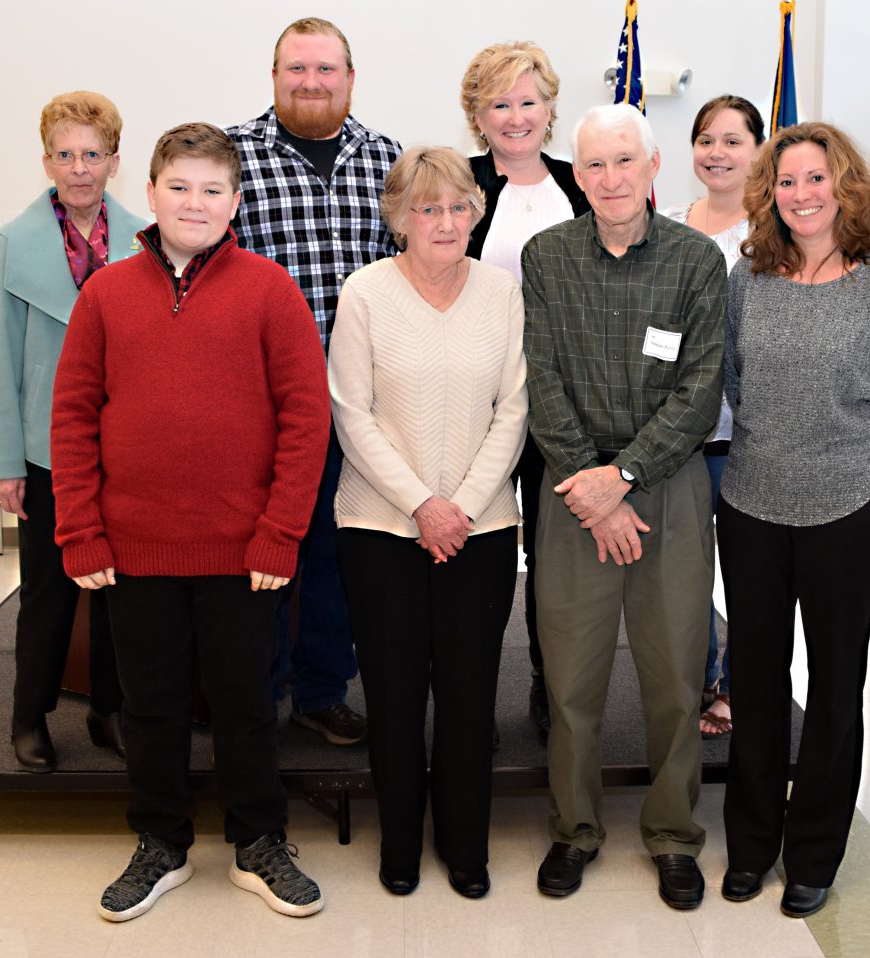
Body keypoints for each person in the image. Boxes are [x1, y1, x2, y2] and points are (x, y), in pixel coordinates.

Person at [51, 123, 330, 921]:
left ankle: (258, 841)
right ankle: (161, 841)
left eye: (213, 190)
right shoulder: (105, 292)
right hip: (131, 549)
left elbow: (305, 420)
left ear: (236, 201)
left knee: (245, 702)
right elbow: (71, 418)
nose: (195, 203)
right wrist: (81, 529)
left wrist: (280, 531)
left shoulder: (271, 290)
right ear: (150, 193)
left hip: (246, 552)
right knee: (152, 705)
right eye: (180, 187)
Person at [717, 121, 870, 918]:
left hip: (848, 512)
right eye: (785, 182)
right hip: (749, 507)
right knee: (755, 677)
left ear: (843, 186)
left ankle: (814, 851)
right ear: (768, 194)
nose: (801, 195)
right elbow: (736, 378)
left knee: (837, 685)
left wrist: (864, 463)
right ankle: (751, 842)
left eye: (816, 179)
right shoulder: (751, 276)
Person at [523, 104, 727, 909]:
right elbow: (542, 381)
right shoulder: (545, 258)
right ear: (578, 176)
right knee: (571, 680)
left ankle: (674, 835)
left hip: (669, 489)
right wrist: (593, 484)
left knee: (676, 674)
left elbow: (701, 387)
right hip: (573, 490)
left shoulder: (696, 261)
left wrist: (627, 477)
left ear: (653, 169)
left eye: (623, 162)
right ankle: (574, 830)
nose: (609, 179)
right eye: (594, 166)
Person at [329, 147, 527, 899]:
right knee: (394, 688)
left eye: (456, 207)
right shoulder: (367, 292)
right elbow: (352, 411)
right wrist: (421, 504)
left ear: (475, 213)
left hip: (479, 530)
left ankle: (466, 847)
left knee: (472, 693)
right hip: (381, 528)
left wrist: (462, 508)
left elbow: (514, 409)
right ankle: (401, 846)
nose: (443, 222)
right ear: (399, 217)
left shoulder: (501, 293)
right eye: (426, 208)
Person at [225, 16, 402, 746]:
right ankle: (252, 695)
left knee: (336, 554)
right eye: (296, 69)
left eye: (325, 69)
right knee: (259, 553)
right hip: (263, 402)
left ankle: (322, 691)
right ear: (274, 76)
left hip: (361, 404)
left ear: (350, 78)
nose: (311, 82)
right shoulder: (233, 157)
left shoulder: (387, 159)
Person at [0, 90, 143, 773]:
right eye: (65, 154)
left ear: (113, 160)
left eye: (92, 154)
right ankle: (30, 715)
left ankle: (111, 710)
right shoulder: (14, 242)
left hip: (125, 449)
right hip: (49, 454)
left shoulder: (144, 238)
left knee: (118, 592)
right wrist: (5, 461)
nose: (79, 167)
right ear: (46, 160)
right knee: (48, 593)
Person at [460, 40, 590, 745]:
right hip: (474, 396)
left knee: (551, 550)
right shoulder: (462, 182)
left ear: (550, 108)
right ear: (478, 117)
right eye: (499, 103)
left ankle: (550, 677)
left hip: (561, 401)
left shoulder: (581, 184)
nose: (515, 116)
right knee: (478, 543)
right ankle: (465, 682)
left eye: (528, 100)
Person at [662, 94, 765, 738]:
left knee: (748, 571)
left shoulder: (774, 231)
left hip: (747, 434)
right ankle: (704, 677)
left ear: (758, 149)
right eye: (706, 139)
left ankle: (741, 682)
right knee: (684, 568)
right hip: (678, 432)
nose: (717, 153)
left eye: (732, 140)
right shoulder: (668, 223)